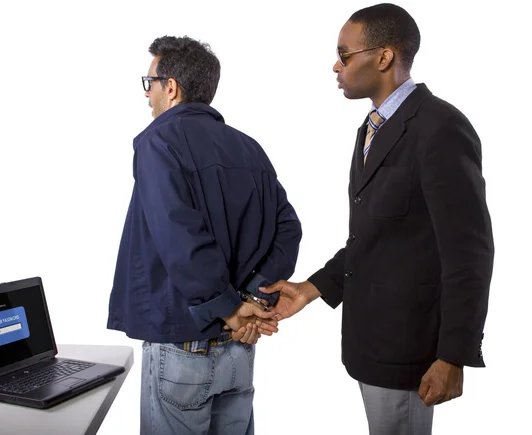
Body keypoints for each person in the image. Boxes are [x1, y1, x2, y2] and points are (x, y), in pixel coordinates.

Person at [260, 3, 494, 434]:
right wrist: (309, 290)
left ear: (383, 57)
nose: (335, 65)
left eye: (344, 54)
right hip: (370, 342)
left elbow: (470, 252)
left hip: (410, 349)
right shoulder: (372, 127)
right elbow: (373, 236)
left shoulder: (440, 127)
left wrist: (453, 355)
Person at [106, 36, 302, 435]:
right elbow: (288, 228)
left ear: (171, 87)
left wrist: (229, 307)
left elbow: (181, 235)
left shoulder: (158, 141)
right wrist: (253, 297)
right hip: (239, 348)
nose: (147, 96)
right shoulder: (250, 149)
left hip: (184, 345)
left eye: (150, 84)